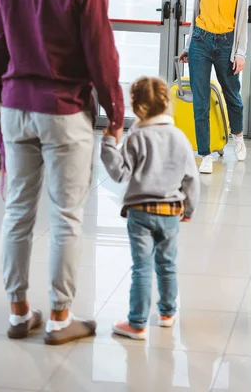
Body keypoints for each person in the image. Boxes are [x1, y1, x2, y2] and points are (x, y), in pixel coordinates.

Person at [0, 0, 124, 345]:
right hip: (64, 110)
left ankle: (19, 313)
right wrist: (116, 114)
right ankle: (62, 319)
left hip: (15, 104)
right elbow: (101, 56)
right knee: (66, 216)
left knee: (17, 211)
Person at [101, 77, 200, 340]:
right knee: (167, 264)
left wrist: (109, 145)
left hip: (140, 212)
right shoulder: (180, 138)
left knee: (141, 267)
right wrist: (188, 209)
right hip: (170, 212)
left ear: (136, 106)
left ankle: (137, 323)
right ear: (166, 103)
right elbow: (191, 179)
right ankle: (167, 314)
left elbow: (120, 174)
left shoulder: (136, 138)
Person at [179, 0, 249, 175]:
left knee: (232, 95)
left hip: (226, 43)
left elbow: (242, 21)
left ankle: (238, 136)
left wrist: (240, 53)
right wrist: (189, 46)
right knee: (200, 100)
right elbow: (195, 13)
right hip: (200, 41)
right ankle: (206, 154)